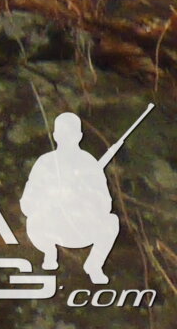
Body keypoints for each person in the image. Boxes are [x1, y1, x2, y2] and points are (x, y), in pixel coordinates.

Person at [21, 113, 122, 283]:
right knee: (32, 221)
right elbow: (28, 202)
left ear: (79, 136)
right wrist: (50, 199)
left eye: (71, 134)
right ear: (55, 136)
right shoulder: (45, 162)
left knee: (111, 222)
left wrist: (83, 196)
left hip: (82, 228)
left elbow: (106, 204)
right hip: (52, 228)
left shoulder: (89, 163)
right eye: (63, 134)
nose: (67, 138)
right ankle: (49, 252)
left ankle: (94, 265)